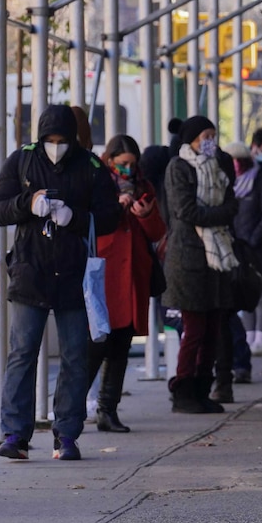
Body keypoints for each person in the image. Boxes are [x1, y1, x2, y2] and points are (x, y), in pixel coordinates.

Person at [0, 104, 120, 460]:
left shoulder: (91, 167)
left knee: (76, 355)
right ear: (40, 137)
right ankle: (15, 433)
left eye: (63, 140)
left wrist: (74, 217)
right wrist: (27, 204)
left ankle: (67, 434)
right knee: (22, 353)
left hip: (75, 277)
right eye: (50, 139)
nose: (56, 145)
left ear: (73, 139)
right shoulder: (22, 160)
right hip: (30, 272)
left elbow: (111, 216)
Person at [88, 135, 166, 432]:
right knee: (95, 345)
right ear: (110, 161)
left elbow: (157, 230)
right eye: (122, 164)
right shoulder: (99, 186)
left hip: (133, 275)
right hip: (106, 275)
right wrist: (115, 207)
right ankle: (68, 410)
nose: (128, 169)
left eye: (132, 164)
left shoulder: (144, 187)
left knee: (121, 345)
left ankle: (108, 410)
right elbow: (95, 224)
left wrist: (144, 216)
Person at [162, 116, 239, 414]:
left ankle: (203, 389)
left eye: (213, 135)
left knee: (213, 329)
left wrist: (218, 213)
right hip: (189, 258)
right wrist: (219, 214)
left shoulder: (220, 165)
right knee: (194, 328)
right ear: (191, 139)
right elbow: (186, 210)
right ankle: (183, 390)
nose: (210, 141)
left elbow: (233, 205)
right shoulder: (178, 167)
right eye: (205, 135)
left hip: (218, 257)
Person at [225, 141, 262, 358]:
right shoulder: (228, 184)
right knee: (244, 295)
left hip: (259, 247)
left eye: (238, 160)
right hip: (238, 248)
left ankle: (260, 339)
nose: (235, 165)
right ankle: (249, 338)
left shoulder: (260, 181)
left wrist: (254, 238)